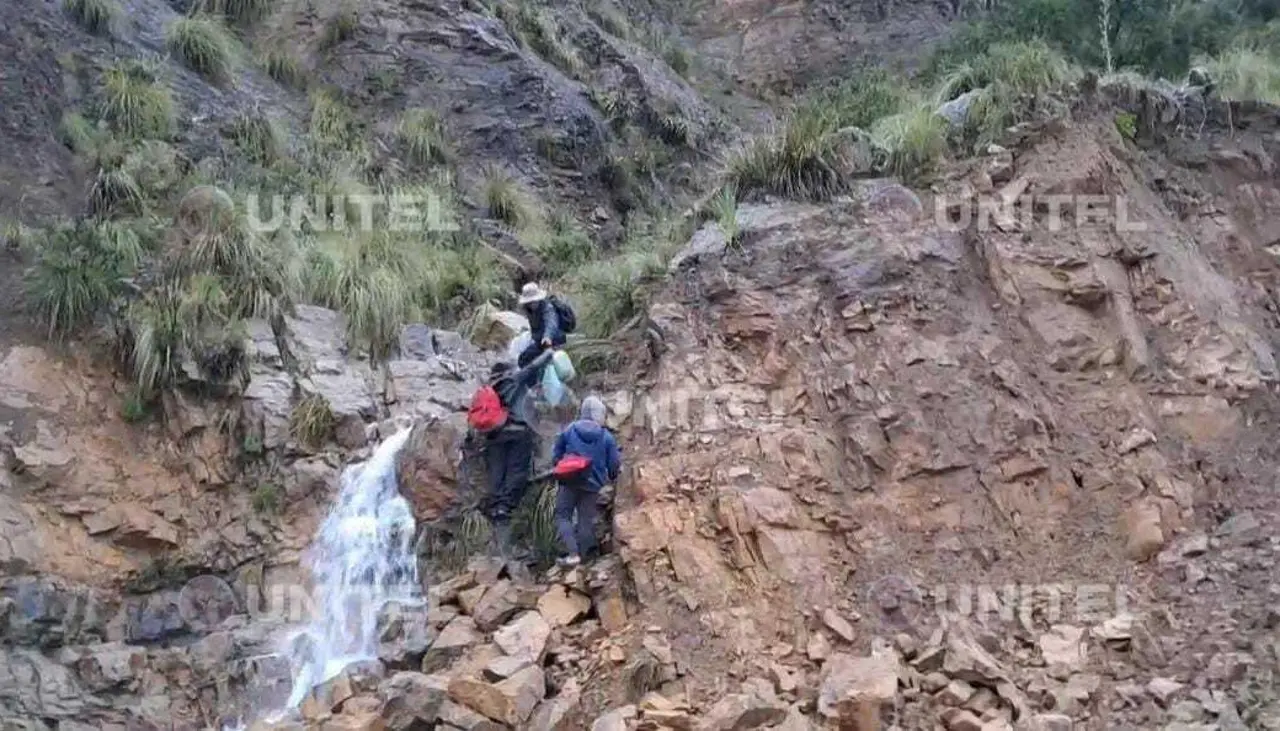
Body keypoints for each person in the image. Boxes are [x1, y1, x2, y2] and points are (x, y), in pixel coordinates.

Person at [479, 350, 554, 556]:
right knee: (516, 469)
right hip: (517, 431)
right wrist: (548, 353)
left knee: (497, 469)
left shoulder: (490, 387)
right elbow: (532, 367)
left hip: (494, 434)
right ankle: (506, 507)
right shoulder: (512, 379)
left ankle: (495, 505)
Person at [549, 395, 621, 568]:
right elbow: (614, 464)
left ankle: (573, 554)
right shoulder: (606, 437)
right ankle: (587, 562)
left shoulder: (570, 430)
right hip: (592, 484)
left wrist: (560, 466)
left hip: (569, 481)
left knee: (562, 516)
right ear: (600, 414)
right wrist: (611, 477)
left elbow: (556, 455)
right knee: (585, 521)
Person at [516, 282, 567, 371]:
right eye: (530, 302)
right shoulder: (528, 310)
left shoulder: (547, 307)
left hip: (553, 339)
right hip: (539, 340)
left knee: (527, 359)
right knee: (522, 359)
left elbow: (551, 323)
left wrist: (547, 336)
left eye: (534, 302)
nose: (532, 304)